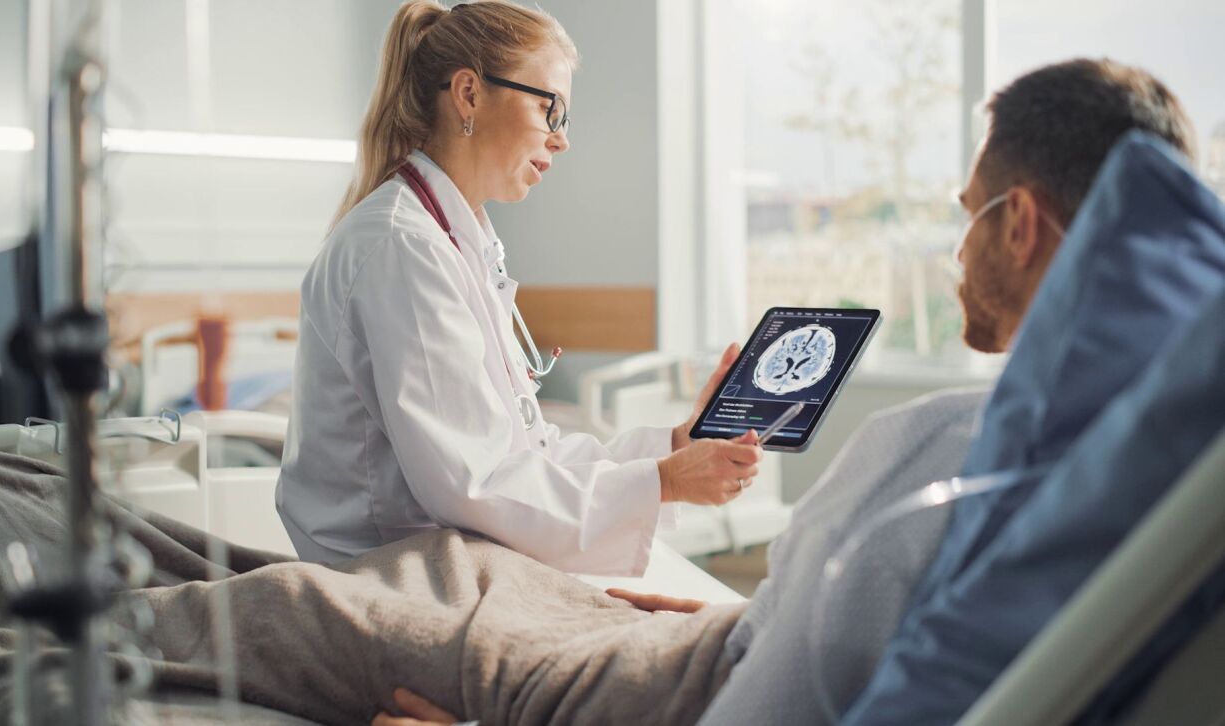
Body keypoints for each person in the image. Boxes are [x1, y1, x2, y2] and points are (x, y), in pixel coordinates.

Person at [370, 57, 1199, 726]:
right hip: (718, 639)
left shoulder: (936, 449)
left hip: (693, 679)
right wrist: (742, 621)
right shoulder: (1172, 454)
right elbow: (847, 635)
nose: (957, 256)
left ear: (1018, 224)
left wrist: (743, 618)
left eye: (971, 215)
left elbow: (781, 692)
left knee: (311, 609)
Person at [276, 0, 763, 576]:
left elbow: (528, 454)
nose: (560, 140)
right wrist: (663, 482)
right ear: (470, 94)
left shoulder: (450, 240)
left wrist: (673, 449)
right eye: (548, 107)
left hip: (448, 561)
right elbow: (472, 483)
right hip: (392, 579)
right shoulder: (401, 247)